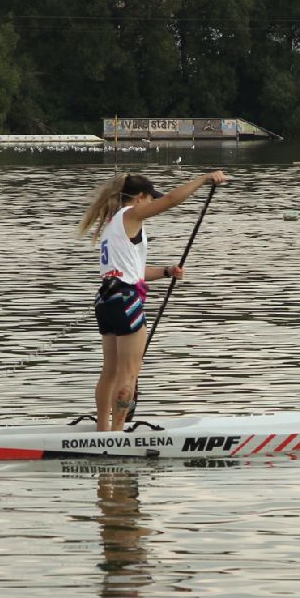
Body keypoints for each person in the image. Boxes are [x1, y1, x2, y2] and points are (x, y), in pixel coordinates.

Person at [77, 169, 228, 432]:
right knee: (129, 372)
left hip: (105, 299)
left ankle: (104, 430)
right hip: (125, 300)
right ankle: (117, 435)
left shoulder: (114, 225)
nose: (151, 205)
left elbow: (135, 271)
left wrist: (167, 272)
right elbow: (171, 199)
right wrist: (203, 179)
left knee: (110, 370)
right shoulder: (131, 214)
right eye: (150, 200)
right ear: (140, 198)